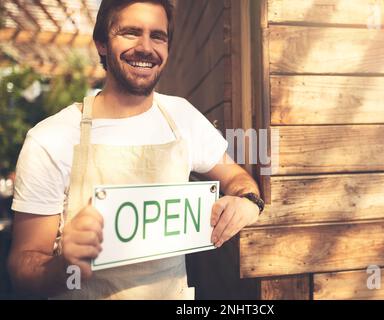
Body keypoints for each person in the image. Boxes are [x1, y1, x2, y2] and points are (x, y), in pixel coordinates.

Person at [7, 0, 263, 299]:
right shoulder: (51, 138)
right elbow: (23, 267)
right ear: (102, 43)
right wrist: (65, 264)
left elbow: (238, 179)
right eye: (130, 32)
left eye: (158, 36)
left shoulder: (182, 117)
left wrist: (248, 202)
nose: (145, 47)